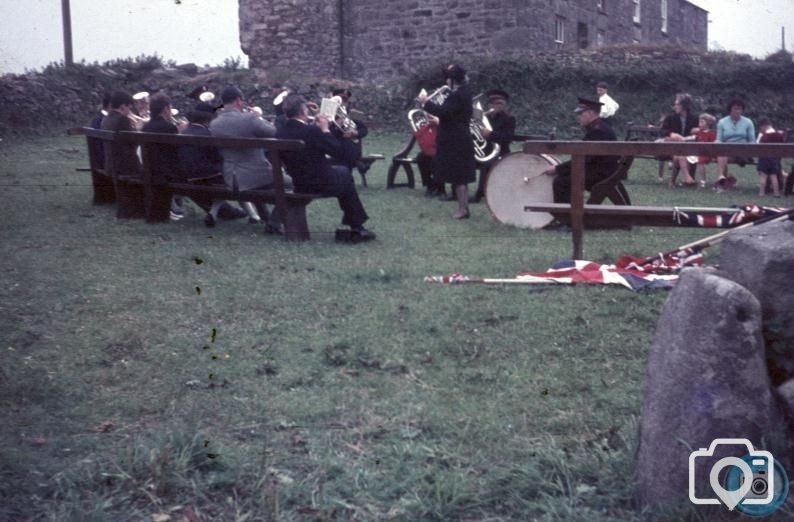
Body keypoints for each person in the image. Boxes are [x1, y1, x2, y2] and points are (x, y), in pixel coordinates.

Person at [276, 94, 375, 242]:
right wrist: (325, 129)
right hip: (320, 183)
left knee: (341, 173)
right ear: (303, 111)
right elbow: (341, 153)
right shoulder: (312, 132)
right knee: (344, 173)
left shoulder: (280, 133)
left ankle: (356, 225)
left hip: (299, 184)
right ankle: (356, 226)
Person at [209, 85, 288, 233]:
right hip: (253, 177)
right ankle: (274, 223)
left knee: (259, 180)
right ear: (238, 101)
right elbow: (274, 133)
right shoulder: (250, 119)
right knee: (292, 184)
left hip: (230, 178)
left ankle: (266, 217)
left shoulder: (214, 123)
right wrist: (259, 118)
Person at [417, 64, 476, 219]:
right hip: (457, 135)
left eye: (448, 78)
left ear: (452, 80)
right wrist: (439, 118)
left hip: (456, 138)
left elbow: (443, 111)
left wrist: (425, 102)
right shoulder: (463, 93)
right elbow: (451, 115)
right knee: (458, 175)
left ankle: (463, 210)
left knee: (459, 176)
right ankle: (463, 208)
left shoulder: (458, 95)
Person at [541, 97, 618, 206]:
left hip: (600, 175)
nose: (578, 117)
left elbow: (584, 160)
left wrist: (557, 168)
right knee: (564, 178)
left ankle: (566, 218)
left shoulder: (597, 131)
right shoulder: (599, 128)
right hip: (603, 171)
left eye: (581, 113)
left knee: (561, 182)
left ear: (590, 113)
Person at [472, 88, 516, 202]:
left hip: (501, 151)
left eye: (499, 104)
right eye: (492, 103)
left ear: (504, 105)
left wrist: (490, 134)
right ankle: (455, 193)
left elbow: (507, 138)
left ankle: (481, 194)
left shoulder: (509, 119)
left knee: (487, 164)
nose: (495, 106)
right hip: (484, 150)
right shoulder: (484, 117)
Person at [659, 93, 699, 186]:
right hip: (671, 146)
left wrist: (696, 131)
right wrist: (671, 134)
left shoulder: (694, 118)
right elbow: (662, 131)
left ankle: (672, 182)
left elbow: (699, 133)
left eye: (677, 104)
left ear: (683, 106)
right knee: (679, 153)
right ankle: (687, 177)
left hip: (687, 146)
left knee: (679, 156)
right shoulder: (670, 117)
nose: (675, 106)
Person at [715, 98, 755, 187]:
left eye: (740, 109)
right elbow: (719, 139)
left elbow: (752, 141)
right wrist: (718, 144)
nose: (738, 111)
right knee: (722, 153)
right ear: (730, 109)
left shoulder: (748, 122)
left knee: (724, 152)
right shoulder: (722, 122)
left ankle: (725, 180)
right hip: (727, 151)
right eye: (735, 108)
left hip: (743, 151)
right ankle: (721, 177)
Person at [756, 117, 784, 197]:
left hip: (764, 159)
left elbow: (757, 145)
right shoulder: (778, 135)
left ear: (763, 126)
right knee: (774, 176)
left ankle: (761, 193)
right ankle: (776, 193)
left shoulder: (763, 136)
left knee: (763, 176)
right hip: (774, 159)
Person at [691, 113, 717, 188]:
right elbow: (693, 135)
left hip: (708, 154)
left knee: (701, 160)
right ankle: (690, 178)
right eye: (699, 122)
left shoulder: (711, 133)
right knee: (690, 158)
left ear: (708, 123)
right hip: (699, 152)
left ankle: (703, 180)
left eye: (702, 122)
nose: (700, 124)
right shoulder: (699, 132)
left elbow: (713, 145)